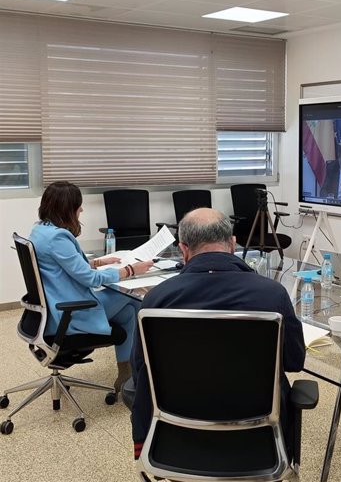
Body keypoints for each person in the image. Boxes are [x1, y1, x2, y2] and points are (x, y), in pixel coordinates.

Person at [130, 208, 305, 460]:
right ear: (233, 244)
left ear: (183, 249)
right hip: (259, 439)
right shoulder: (272, 295)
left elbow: (141, 370)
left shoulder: (157, 300)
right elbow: (294, 361)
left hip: (174, 437)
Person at [28, 181, 153, 393]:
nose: (82, 210)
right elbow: (89, 279)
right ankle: (144, 368)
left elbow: (63, 265)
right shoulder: (58, 237)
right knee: (136, 299)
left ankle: (128, 373)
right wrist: (130, 270)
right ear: (67, 208)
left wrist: (97, 262)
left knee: (130, 313)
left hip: (53, 305)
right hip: (69, 311)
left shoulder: (41, 231)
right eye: (78, 205)